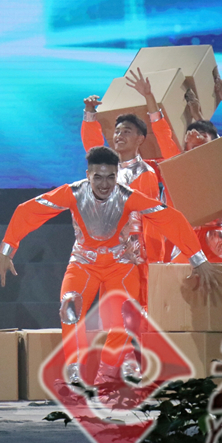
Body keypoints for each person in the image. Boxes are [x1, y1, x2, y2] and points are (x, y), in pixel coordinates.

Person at [0, 146, 222, 390]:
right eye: (98, 177)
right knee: (69, 308)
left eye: (110, 177)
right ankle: (75, 374)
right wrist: (5, 252)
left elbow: (170, 218)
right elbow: (28, 211)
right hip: (83, 263)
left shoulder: (128, 196)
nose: (104, 184)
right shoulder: (73, 193)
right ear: (88, 175)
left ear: (117, 175)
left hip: (120, 264)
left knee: (126, 319)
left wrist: (199, 259)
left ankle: (107, 375)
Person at [125, 68, 222, 264]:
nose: (195, 139)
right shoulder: (175, 163)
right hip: (182, 248)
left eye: (202, 139)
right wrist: (149, 96)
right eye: (191, 139)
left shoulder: (221, 167)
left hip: (214, 246)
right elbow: (161, 131)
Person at [80, 89, 163, 316]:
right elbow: (92, 148)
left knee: (133, 309)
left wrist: (154, 260)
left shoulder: (145, 173)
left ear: (140, 139)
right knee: (110, 308)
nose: (119, 135)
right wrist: (90, 114)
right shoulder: (108, 169)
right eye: (116, 131)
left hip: (133, 252)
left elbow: (152, 219)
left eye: (126, 131)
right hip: (106, 249)